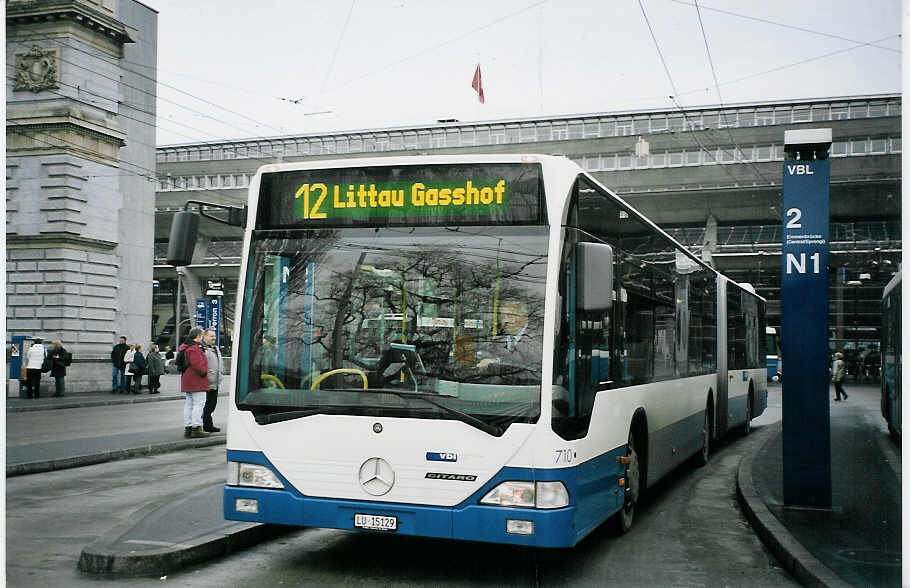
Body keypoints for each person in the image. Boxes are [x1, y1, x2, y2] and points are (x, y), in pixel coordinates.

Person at [179, 328, 210, 438]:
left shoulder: (186, 347)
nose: (202, 338)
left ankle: (188, 427)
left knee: (189, 404)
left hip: (188, 379)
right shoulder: (194, 348)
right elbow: (198, 365)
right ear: (197, 336)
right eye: (201, 336)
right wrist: (204, 371)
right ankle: (196, 427)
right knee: (199, 403)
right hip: (196, 379)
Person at [201, 328, 223, 433]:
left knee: (212, 404)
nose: (214, 337)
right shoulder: (203, 349)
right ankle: (206, 425)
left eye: (214, 335)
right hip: (207, 382)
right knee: (207, 404)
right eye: (211, 336)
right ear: (205, 337)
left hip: (216, 381)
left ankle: (208, 424)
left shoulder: (215, 348)